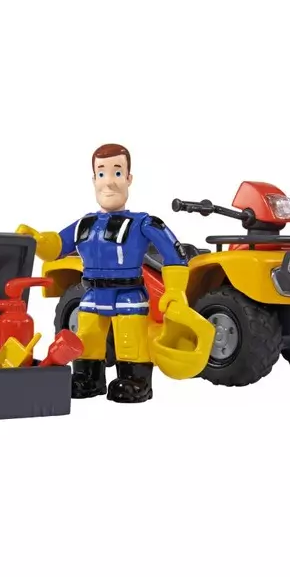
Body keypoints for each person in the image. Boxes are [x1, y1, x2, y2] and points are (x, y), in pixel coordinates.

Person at [17, 143, 190, 403]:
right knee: (87, 338)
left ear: (129, 178)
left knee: (130, 340)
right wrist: (37, 240)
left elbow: (174, 254)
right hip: (92, 294)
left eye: (117, 173)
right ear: (94, 179)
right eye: (101, 173)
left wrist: (175, 289)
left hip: (128, 294)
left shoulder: (143, 223)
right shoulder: (84, 224)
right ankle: (88, 378)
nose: (108, 182)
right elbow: (57, 246)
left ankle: (136, 380)